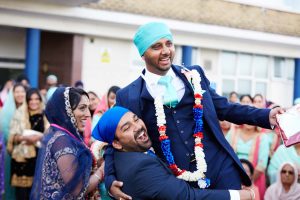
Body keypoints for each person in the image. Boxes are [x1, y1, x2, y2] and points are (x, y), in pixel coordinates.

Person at [105, 22, 283, 199]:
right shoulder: (128, 96)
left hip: (220, 167)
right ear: (143, 54)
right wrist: (110, 178)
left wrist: (266, 115)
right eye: (156, 47)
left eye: (169, 44)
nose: (166, 51)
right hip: (179, 180)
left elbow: (224, 108)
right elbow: (115, 141)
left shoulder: (193, 74)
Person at [93, 106, 254, 199]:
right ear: (116, 143)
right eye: (126, 128)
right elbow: (188, 197)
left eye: (136, 119)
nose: (138, 127)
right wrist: (239, 196)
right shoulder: (141, 167)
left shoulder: (122, 153)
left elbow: (110, 151)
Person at [30, 87, 103, 199]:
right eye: (82, 108)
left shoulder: (67, 135)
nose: (88, 114)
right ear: (65, 111)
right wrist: (102, 171)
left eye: (88, 108)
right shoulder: (62, 141)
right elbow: (77, 190)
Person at [6, 88, 49, 200]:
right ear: (27, 100)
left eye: (36, 99)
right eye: (30, 99)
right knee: (21, 195)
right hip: (22, 161)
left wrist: (38, 137)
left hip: (39, 159)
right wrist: (24, 138)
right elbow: (12, 136)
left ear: (40, 100)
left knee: (36, 194)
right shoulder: (19, 113)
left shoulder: (45, 115)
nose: (34, 102)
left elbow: (50, 134)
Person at [0, 83, 26, 200]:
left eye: (22, 91)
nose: (20, 94)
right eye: (17, 91)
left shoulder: (30, 108)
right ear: (12, 94)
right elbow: (5, 133)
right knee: (11, 184)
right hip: (11, 153)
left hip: (29, 155)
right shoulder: (6, 112)